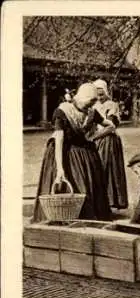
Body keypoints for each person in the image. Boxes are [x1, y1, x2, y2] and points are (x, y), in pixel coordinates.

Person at [32, 83, 114, 222]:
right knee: (66, 182)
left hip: (84, 152)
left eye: (93, 102)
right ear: (82, 97)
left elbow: (111, 126)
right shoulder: (63, 110)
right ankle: (60, 215)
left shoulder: (91, 112)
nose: (91, 105)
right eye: (90, 101)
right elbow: (59, 139)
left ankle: (85, 216)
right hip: (64, 151)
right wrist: (60, 169)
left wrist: (94, 137)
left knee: (86, 186)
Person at [91, 79, 128, 210]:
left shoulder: (112, 105)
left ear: (106, 92)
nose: (100, 97)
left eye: (102, 94)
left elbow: (111, 127)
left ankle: (111, 200)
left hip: (107, 140)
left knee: (107, 169)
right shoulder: (92, 105)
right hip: (94, 140)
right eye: (97, 95)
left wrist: (94, 137)